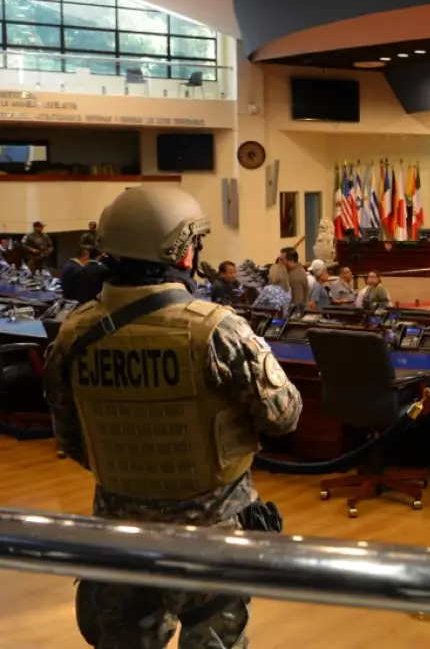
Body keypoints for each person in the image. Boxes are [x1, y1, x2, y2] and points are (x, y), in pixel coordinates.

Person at [42, 185, 302, 649]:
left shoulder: (73, 331)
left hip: (118, 526)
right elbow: (284, 416)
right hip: (210, 532)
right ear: (182, 253)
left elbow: (70, 436)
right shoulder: (216, 328)